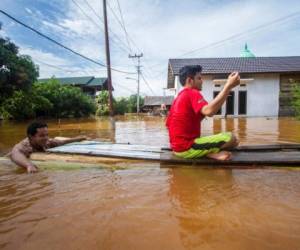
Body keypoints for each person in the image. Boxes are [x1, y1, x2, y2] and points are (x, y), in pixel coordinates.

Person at [166, 65, 240, 161]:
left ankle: (208, 153)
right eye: (199, 78)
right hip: (186, 148)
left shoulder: (178, 98)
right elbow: (209, 111)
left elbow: (168, 125)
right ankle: (209, 154)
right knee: (231, 138)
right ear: (190, 80)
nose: (202, 81)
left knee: (234, 142)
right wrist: (228, 86)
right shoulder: (191, 92)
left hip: (176, 149)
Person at [9, 121, 87, 173]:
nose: (46, 138)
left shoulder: (47, 142)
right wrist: (29, 165)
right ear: (31, 136)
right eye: (42, 136)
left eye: (47, 135)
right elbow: (15, 153)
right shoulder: (25, 144)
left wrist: (79, 138)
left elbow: (62, 142)